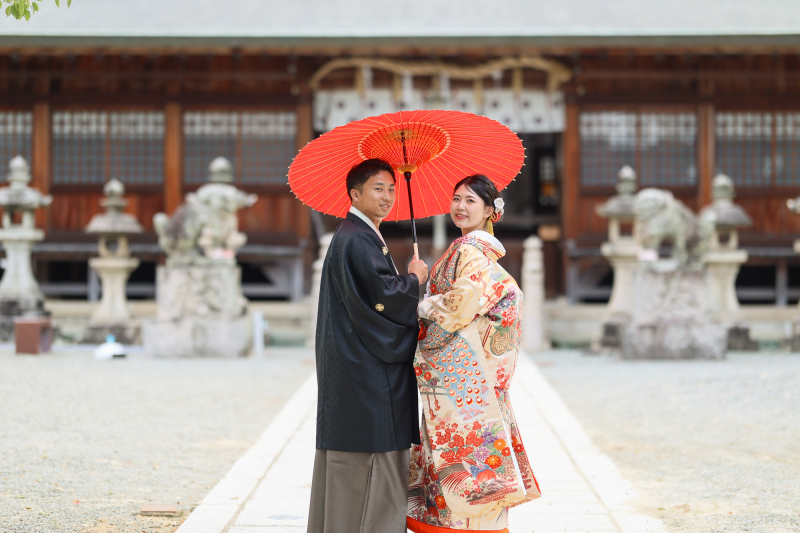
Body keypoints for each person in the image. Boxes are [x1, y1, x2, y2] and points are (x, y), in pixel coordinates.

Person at [407, 174, 541, 532]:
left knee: (464, 459)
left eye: (470, 201)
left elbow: (463, 302)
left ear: (488, 211)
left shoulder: (469, 251)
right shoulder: (471, 250)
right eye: (456, 199)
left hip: (464, 377)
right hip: (471, 376)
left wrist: (422, 303)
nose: (460, 207)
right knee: (471, 455)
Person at [308, 158, 429, 533]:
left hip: (352, 365)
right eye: (378, 188)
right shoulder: (356, 239)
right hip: (367, 372)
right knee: (373, 460)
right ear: (354, 194)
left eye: (392, 188)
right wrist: (413, 280)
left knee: (351, 463)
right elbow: (381, 299)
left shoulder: (357, 235)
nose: (388, 196)